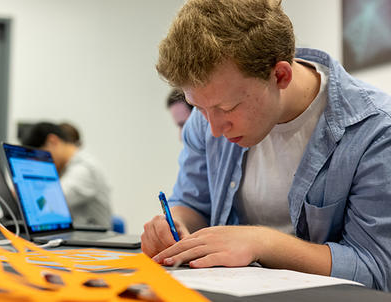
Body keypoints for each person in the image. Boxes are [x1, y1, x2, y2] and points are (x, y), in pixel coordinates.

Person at [141, 0, 391, 291]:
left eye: (228, 107)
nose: (214, 128)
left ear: (280, 75)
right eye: (199, 107)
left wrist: (262, 242)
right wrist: (174, 224)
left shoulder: (375, 130)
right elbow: (195, 204)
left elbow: (375, 270)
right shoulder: (207, 117)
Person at [21, 122, 112, 229]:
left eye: (39, 157)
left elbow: (49, 202)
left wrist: (20, 192)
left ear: (52, 141)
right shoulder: (66, 168)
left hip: (95, 241)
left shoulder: (84, 169)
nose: (40, 164)